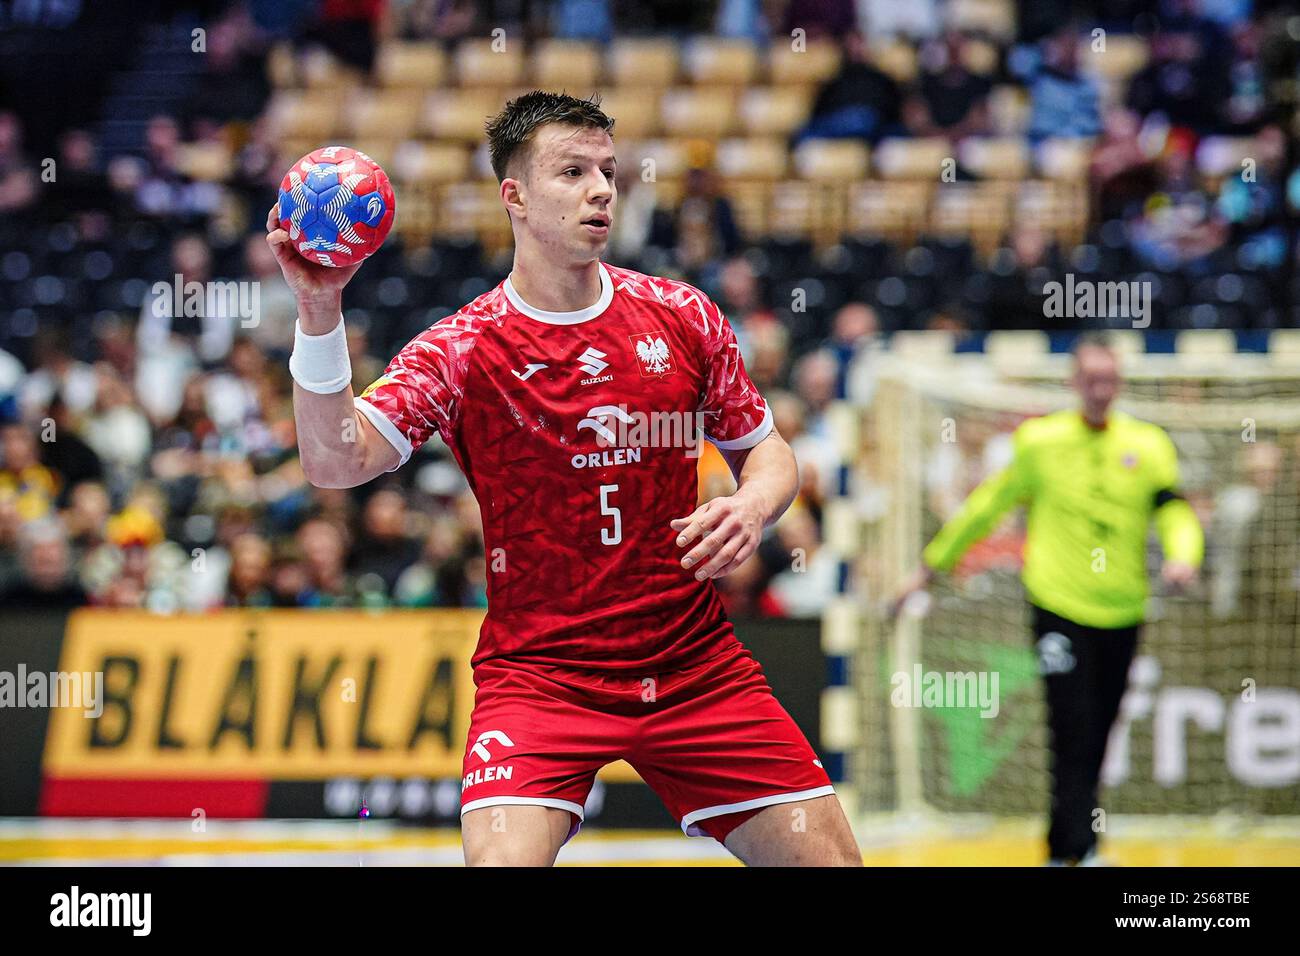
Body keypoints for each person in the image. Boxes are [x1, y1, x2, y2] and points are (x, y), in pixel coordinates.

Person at [265, 91, 861, 867]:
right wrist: (319, 310)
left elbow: (770, 451)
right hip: (540, 678)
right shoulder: (464, 349)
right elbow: (334, 460)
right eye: (572, 171)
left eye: (608, 171)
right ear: (513, 196)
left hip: (693, 665)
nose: (602, 188)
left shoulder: (681, 316)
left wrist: (753, 503)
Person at [895, 333, 1204, 865]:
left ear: (1120, 382)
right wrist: (930, 565)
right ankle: (1079, 850)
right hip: (1058, 605)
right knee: (1073, 725)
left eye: (1109, 379)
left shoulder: (1149, 444)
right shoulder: (1041, 442)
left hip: (1124, 608)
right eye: (1091, 379)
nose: (1100, 389)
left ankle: (1065, 846)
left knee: (1102, 729)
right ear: (1073, 381)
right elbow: (986, 506)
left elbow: (1173, 510)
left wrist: (1184, 554)